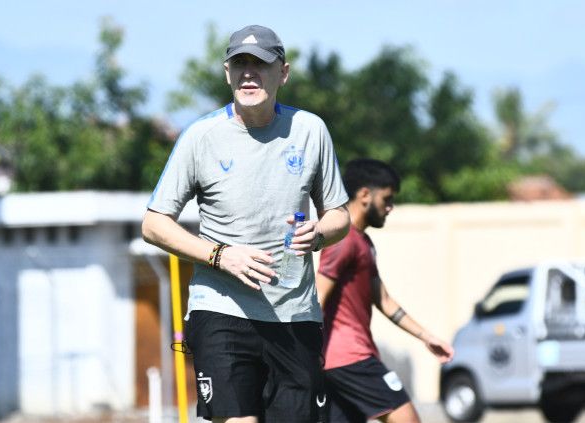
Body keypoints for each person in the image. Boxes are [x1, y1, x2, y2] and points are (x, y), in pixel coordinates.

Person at [141, 24, 350, 423]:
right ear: (227, 73)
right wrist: (221, 256)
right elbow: (154, 224)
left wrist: (319, 233)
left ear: (283, 73)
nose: (249, 74)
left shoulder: (310, 131)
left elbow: (340, 216)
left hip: (295, 315)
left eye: (260, 65)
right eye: (240, 65)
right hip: (221, 310)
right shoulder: (200, 136)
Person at [316, 158, 454, 423]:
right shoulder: (343, 241)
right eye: (387, 199)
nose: (390, 207)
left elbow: (384, 300)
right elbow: (318, 299)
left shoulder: (362, 242)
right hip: (350, 359)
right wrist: (305, 357)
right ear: (365, 195)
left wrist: (426, 337)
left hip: (341, 362)